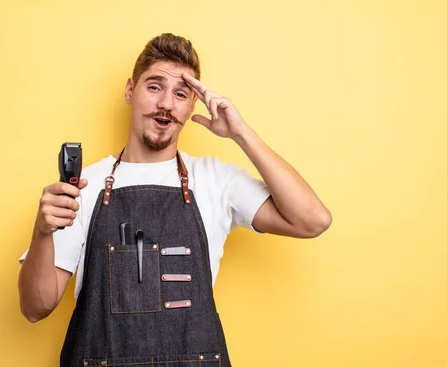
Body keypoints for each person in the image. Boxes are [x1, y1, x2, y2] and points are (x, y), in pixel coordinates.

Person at [18, 33, 331, 366]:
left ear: (191, 106)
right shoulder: (85, 186)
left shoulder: (215, 180)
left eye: (180, 94)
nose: (166, 103)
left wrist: (241, 132)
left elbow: (313, 220)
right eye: (154, 87)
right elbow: (35, 308)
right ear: (130, 90)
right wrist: (42, 232)